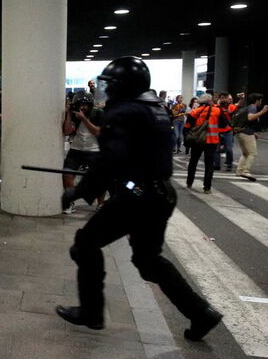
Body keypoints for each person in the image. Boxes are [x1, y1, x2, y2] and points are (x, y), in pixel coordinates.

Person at [56, 56, 222, 341]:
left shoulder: (125, 111)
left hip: (138, 195)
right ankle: (200, 313)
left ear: (123, 85)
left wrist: (78, 191)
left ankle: (91, 312)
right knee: (148, 261)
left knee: (85, 245)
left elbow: (109, 160)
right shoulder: (154, 107)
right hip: (158, 193)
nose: (106, 89)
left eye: (111, 84)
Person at [61, 91, 102, 214]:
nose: (82, 107)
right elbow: (67, 131)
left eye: (85, 105)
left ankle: (101, 204)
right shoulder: (74, 114)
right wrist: (68, 114)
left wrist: (84, 119)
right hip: (76, 149)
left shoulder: (98, 114)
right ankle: (70, 202)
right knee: (67, 174)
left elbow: (98, 132)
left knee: (99, 178)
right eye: (80, 104)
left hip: (95, 150)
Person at [185, 94, 229, 194]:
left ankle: (189, 182)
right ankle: (207, 188)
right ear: (209, 101)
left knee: (193, 161)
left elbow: (187, 126)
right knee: (209, 164)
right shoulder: (217, 110)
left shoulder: (196, 111)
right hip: (212, 141)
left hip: (198, 140)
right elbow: (224, 124)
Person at [236, 92, 266, 181]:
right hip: (247, 133)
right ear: (257, 100)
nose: (261, 102)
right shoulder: (253, 108)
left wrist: (254, 133)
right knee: (252, 153)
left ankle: (239, 171)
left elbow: (248, 122)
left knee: (246, 153)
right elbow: (250, 118)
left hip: (242, 132)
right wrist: (263, 112)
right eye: (260, 100)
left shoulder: (248, 107)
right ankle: (246, 171)